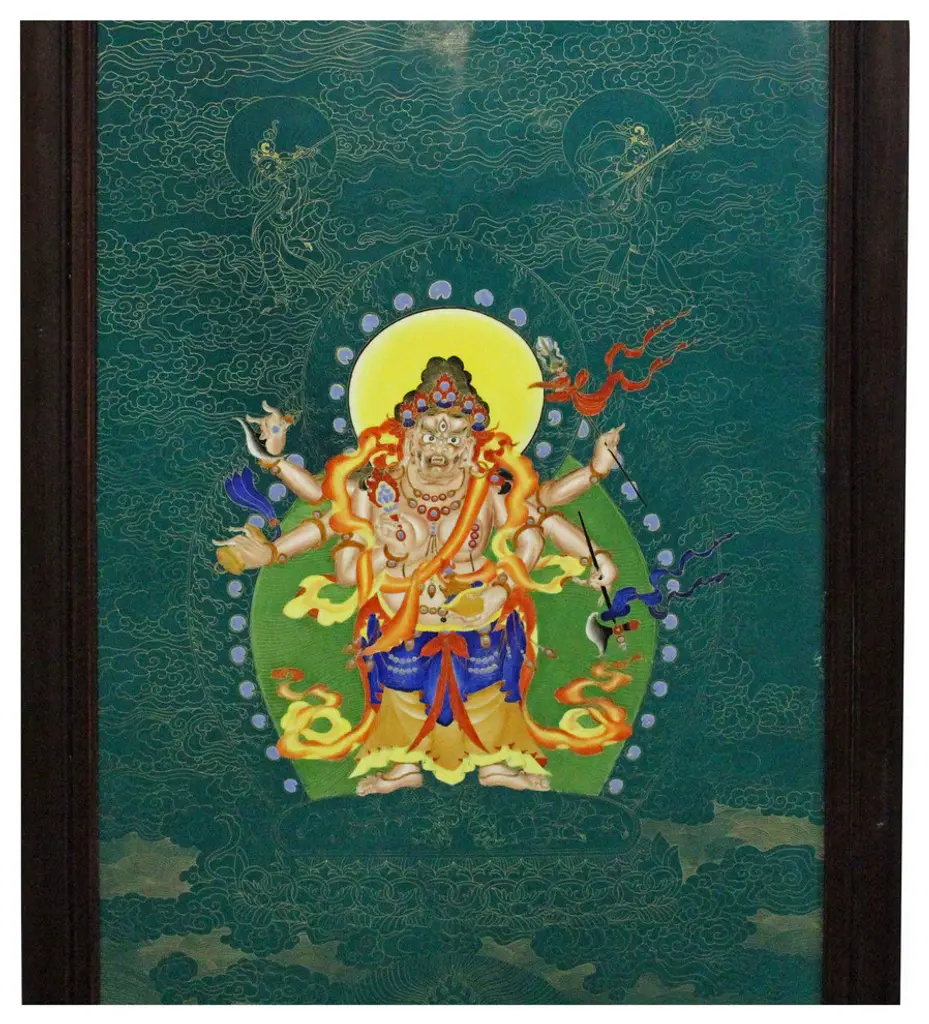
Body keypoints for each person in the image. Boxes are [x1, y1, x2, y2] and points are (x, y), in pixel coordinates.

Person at [215, 356, 628, 795]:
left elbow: (541, 514)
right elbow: (326, 517)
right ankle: (401, 764)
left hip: (480, 611)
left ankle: (497, 761)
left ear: (471, 443)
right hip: (401, 613)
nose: (441, 446)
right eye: (430, 433)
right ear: (407, 437)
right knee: (400, 687)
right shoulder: (380, 488)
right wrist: (274, 541)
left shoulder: (486, 487)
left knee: (490, 688)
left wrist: (595, 525)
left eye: (454, 436)